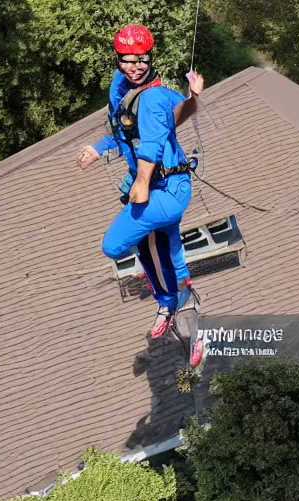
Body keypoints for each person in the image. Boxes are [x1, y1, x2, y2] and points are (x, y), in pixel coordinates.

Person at [77, 24, 204, 340]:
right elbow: (130, 129)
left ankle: (171, 301)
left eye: (141, 60)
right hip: (166, 187)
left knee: (115, 244)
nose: (134, 67)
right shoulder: (122, 88)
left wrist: (142, 183)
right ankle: (180, 293)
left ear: (151, 58)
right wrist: (99, 148)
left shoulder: (151, 98)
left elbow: (151, 143)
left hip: (165, 188)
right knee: (162, 243)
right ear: (118, 59)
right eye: (127, 60)